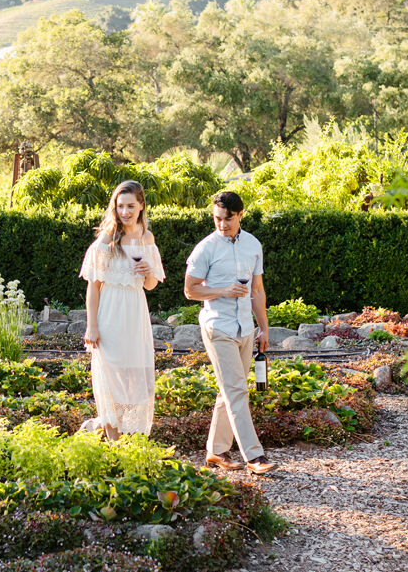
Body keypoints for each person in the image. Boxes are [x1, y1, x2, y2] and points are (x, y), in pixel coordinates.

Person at [184, 190, 277, 475]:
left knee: (229, 391)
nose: (222, 224)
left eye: (228, 219)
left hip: (245, 328)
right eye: (217, 219)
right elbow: (190, 289)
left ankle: (215, 451)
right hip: (217, 327)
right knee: (237, 390)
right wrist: (222, 290)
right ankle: (255, 456)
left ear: (240, 215)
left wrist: (263, 327)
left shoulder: (253, 245)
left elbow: (257, 290)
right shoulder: (205, 248)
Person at [80, 180, 165, 439]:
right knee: (110, 376)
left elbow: (150, 285)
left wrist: (147, 271)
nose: (125, 212)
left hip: (135, 313)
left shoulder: (146, 238)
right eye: (120, 207)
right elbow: (93, 287)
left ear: (141, 206)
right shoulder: (107, 239)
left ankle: (132, 437)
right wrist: (91, 326)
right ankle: (115, 442)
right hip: (109, 314)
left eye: (130, 206)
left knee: (134, 377)